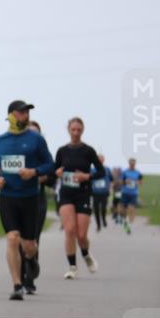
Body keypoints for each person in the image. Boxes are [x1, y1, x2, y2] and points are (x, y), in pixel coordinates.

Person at [0, 101, 54, 300]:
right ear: (10, 115)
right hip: (8, 198)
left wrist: (34, 172)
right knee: (11, 238)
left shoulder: (36, 140)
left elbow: (50, 164)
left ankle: (31, 259)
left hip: (30, 198)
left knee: (28, 245)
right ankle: (17, 285)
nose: (26, 115)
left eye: (27, 112)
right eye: (22, 112)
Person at [55, 118, 104, 280]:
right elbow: (54, 171)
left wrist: (86, 176)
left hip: (83, 193)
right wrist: (58, 173)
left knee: (81, 235)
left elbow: (101, 172)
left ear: (82, 131)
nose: (76, 133)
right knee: (70, 230)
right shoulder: (62, 151)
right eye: (73, 129)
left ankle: (86, 254)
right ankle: (72, 266)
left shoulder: (88, 151)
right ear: (68, 130)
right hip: (66, 194)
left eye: (79, 130)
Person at [19, 120, 49, 294]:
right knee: (16, 239)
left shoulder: (42, 153)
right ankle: (18, 279)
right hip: (16, 199)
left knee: (33, 239)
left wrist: (34, 176)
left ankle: (29, 279)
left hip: (37, 200)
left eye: (36, 133)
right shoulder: (14, 150)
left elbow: (51, 175)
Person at [120, 158, 143, 234]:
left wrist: (138, 182)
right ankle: (125, 222)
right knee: (123, 210)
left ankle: (130, 223)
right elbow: (120, 182)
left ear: (135, 164)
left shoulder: (138, 173)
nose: (132, 165)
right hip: (125, 193)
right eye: (131, 164)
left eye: (133, 164)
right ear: (129, 164)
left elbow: (141, 182)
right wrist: (125, 181)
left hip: (134, 193)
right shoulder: (125, 172)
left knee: (132, 208)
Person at [90, 153, 111, 232]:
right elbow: (89, 179)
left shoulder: (107, 169)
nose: (100, 160)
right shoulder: (92, 169)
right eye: (99, 159)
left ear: (103, 160)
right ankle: (98, 225)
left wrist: (109, 187)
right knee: (96, 209)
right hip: (95, 192)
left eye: (101, 159)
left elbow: (111, 179)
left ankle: (104, 219)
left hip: (104, 192)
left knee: (103, 208)